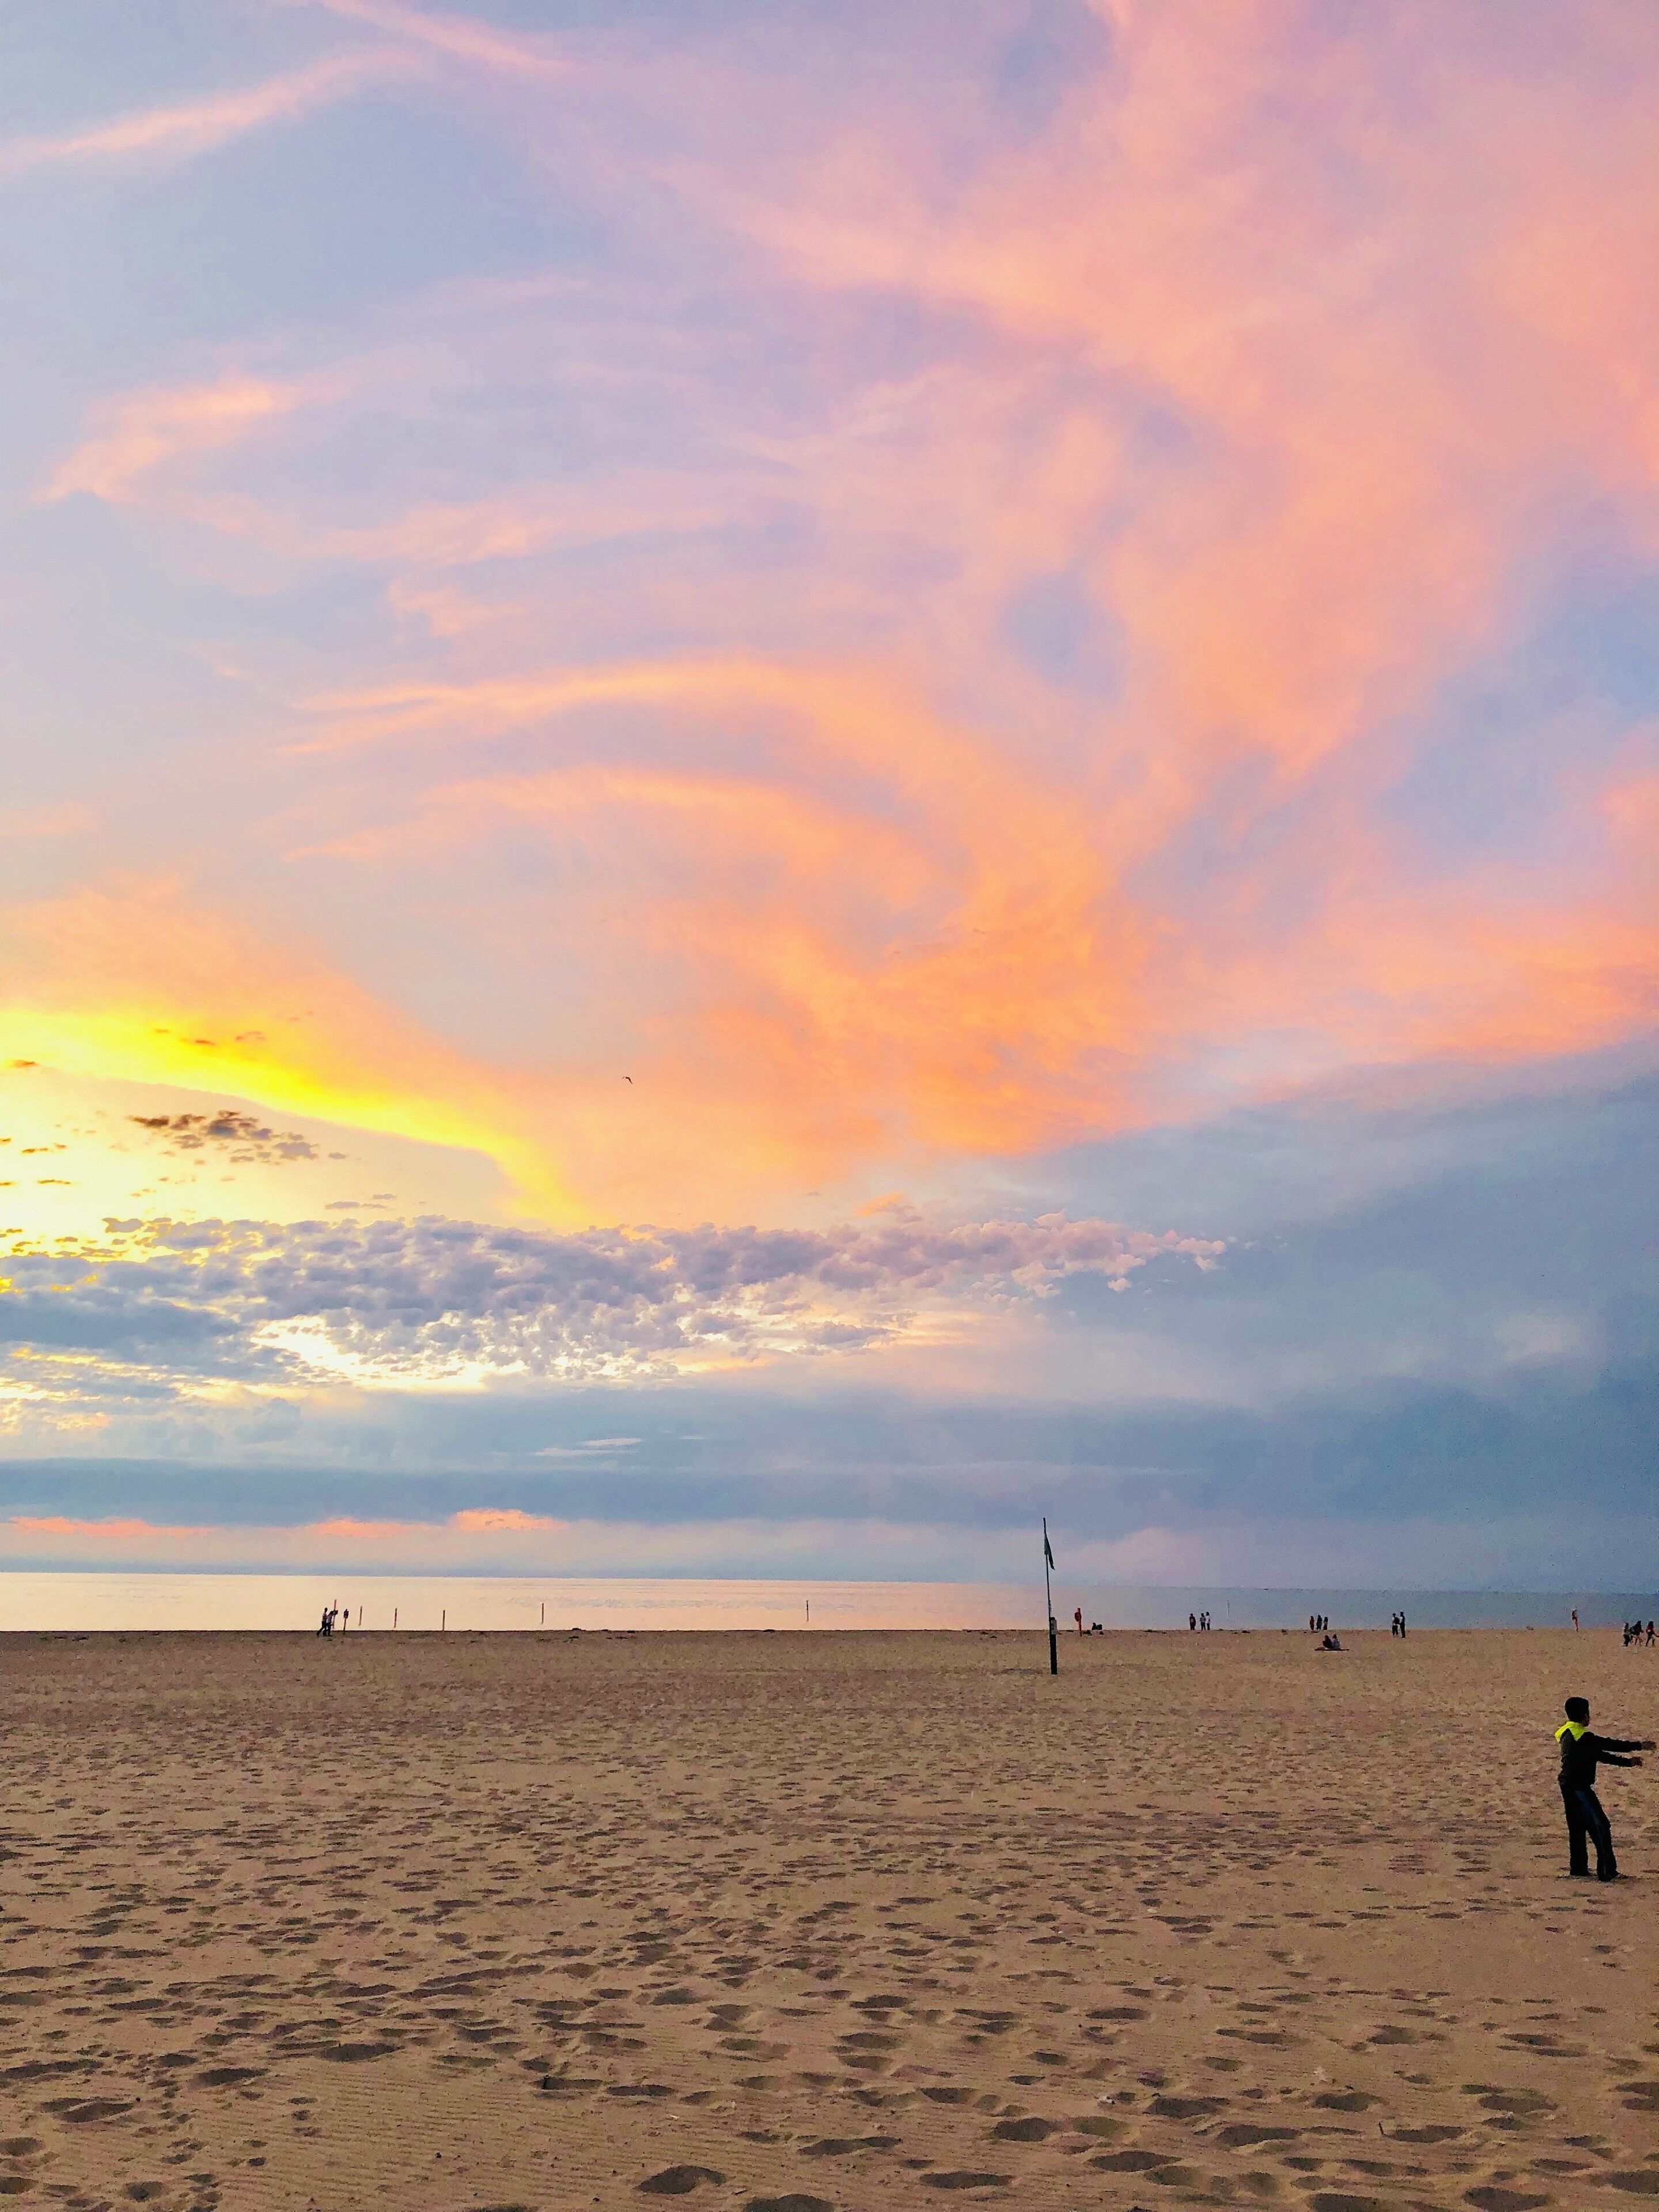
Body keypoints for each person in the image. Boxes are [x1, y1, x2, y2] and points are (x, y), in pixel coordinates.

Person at [1555, 1696, 1653, 1881]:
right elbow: (1609, 1745)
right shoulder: (1583, 1737)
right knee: (1601, 1826)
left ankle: (1579, 1870)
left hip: (1567, 1786)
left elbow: (1597, 1755)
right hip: (1578, 1788)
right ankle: (1607, 1871)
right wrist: (1639, 1746)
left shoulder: (1568, 1733)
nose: (1589, 1717)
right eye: (1588, 1713)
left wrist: (1629, 1763)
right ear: (1584, 1716)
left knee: (1577, 1828)